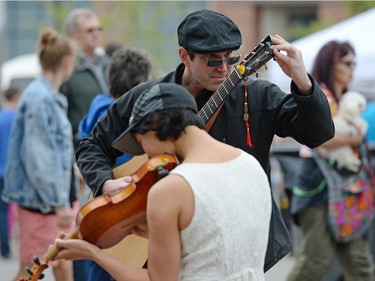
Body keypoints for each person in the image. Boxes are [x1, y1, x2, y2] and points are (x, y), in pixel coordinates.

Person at [76, 9, 335, 271]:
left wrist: (303, 82)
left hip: (239, 243)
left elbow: (317, 134)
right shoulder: (148, 98)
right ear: (184, 56)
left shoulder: (258, 95)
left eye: (230, 57)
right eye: (212, 60)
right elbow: (91, 145)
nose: (223, 68)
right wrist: (105, 183)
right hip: (162, 239)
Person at [53, 82, 273, 280]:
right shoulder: (250, 165)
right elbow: (216, 242)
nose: (145, 154)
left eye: (141, 141)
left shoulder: (173, 188)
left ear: (156, 126)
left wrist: (93, 254)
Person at [288, 40, 375, 281]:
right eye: (347, 63)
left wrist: (348, 136)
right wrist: (355, 135)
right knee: (316, 261)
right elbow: (323, 137)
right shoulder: (316, 95)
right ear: (330, 64)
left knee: (360, 263)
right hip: (317, 186)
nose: (353, 68)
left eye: (354, 63)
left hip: (348, 188)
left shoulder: (346, 99)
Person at [1, 28, 77, 281]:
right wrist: (59, 202)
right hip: (43, 204)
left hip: (49, 201)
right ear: (67, 61)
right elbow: (39, 158)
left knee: (60, 264)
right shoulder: (39, 98)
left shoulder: (44, 95)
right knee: (30, 269)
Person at [79, 47, 152, 281]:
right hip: (123, 210)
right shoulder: (119, 117)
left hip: (96, 205)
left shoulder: (96, 107)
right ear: (142, 83)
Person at [61, 7, 111, 149]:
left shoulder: (107, 62)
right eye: (90, 30)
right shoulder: (67, 69)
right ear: (73, 34)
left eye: (98, 29)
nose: (96, 34)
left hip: (111, 146)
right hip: (82, 149)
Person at [0, 85, 20, 259]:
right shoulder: (17, 117)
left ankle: (4, 248)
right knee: (12, 211)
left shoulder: (0, 117)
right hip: (13, 171)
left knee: (2, 211)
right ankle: (8, 248)